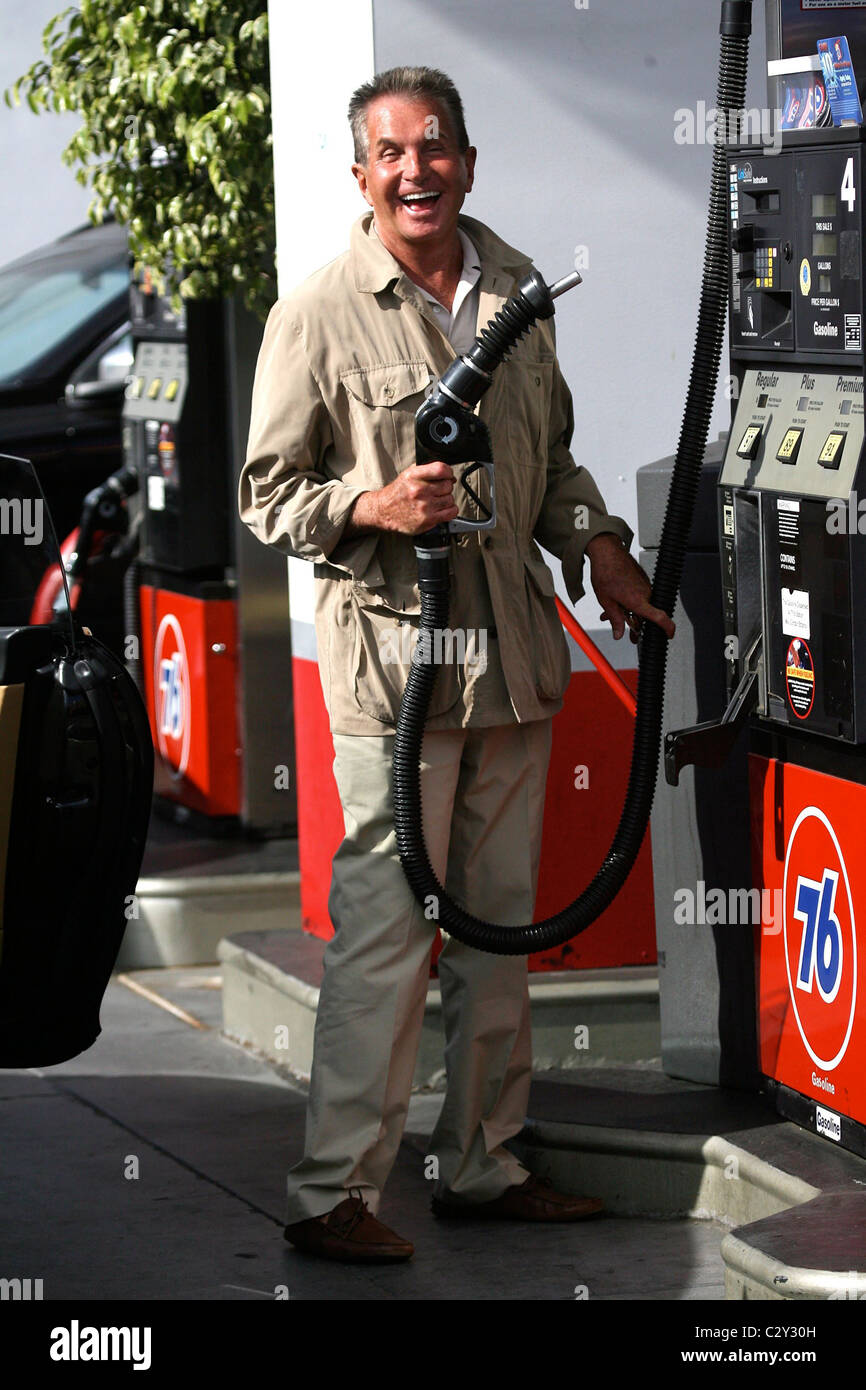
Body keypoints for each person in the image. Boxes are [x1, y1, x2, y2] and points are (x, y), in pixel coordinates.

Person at [239, 65, 674, 1264]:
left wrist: (601, 550)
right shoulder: (319, 310)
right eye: (391, 152)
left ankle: (482, 1160)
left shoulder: (519, 290)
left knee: (494, 932)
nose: (415, 169)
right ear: (362, 176)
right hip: (397, 677)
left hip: (513, 668)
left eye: (436, 147)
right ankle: (332, 1190)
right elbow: (266, 495)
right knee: (385, 929)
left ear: (467, 163)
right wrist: (373, 503)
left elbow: (558, 463)